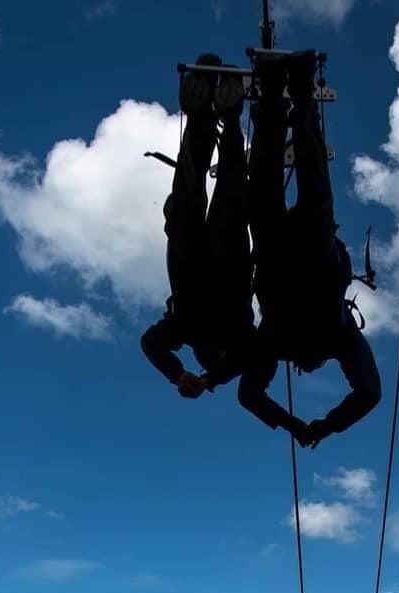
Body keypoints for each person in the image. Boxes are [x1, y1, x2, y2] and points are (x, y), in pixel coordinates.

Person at [238, 50, 382, 447]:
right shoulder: (283, 342)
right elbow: (248, 395)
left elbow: (370, 393)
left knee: (312, 177)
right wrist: (309, 426)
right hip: (281, 261)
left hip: (313, 259)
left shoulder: (337, 337)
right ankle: (274, 91)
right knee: (265, 183)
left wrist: (314, 425)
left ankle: (296, 91)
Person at [141, 56, 255, 401]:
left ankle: (224, 118)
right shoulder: (188, 331)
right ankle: (205, 118)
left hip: (221, 256)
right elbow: (151, 344)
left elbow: (246, 358)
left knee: (227, 188)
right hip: (195, 255)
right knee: (192, 186)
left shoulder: (233, 334)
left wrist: (202, 379)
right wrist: (186, 376)